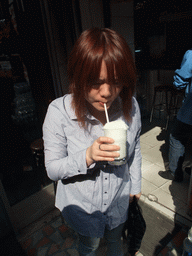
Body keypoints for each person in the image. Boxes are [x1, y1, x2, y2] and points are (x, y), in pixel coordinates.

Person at [43, 28, 142, 256]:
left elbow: (135, 146)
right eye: (96, 83)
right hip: (83, 206)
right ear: (78, 76)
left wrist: (135, 186)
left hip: (118, 200)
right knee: (90, 246)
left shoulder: (131, 107)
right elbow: (52, 169)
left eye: (116, 82)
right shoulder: (59, 113)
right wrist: (87, 156)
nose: (106, 92)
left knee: (115, 242)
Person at [159, 49, 192, 182]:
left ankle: (174, 172)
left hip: (190, 110)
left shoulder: (191, 54)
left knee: (177, 136)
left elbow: (179, 82)